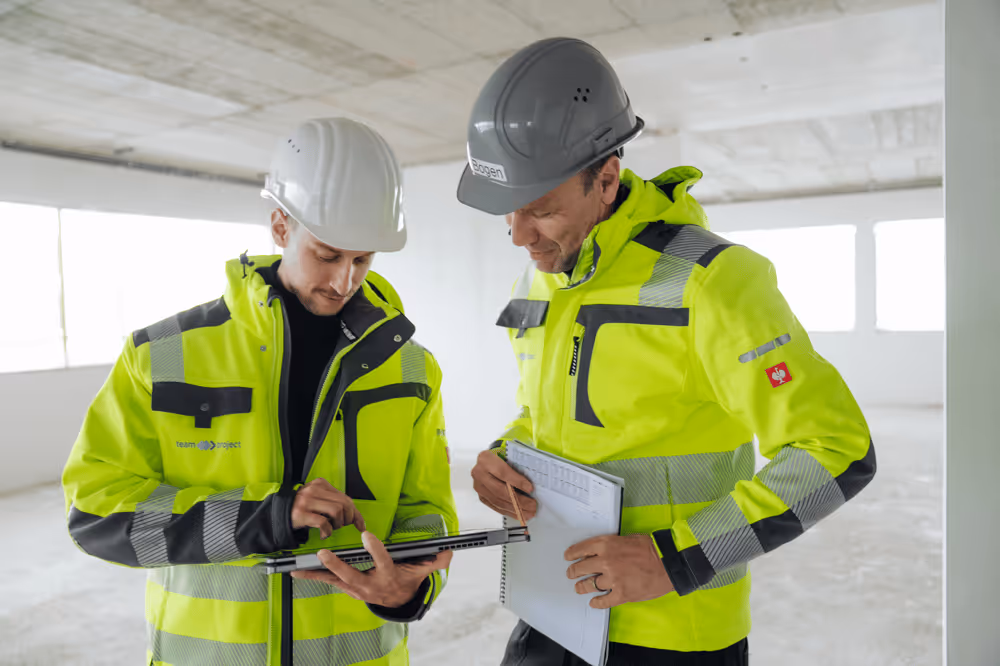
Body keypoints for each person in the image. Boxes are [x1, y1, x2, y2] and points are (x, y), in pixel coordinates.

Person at [461, 38, 876, 665]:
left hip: (673, 633)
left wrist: (674, 557)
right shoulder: (545, 275)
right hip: (553, 605)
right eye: (509, 214)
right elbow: (549, 419)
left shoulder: (712, 281)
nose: (521, 238)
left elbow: (837, 452)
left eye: (540, 212)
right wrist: (504, 456)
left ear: (606, 179)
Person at [63, 117, 458, 665]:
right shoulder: (161, 355)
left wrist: (412, 592)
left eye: (363, 260)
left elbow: (427, 511)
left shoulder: (409, 366)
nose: (345, 280)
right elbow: (96, 517)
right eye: (328, 254)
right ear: (280, 226)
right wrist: (263, 519)